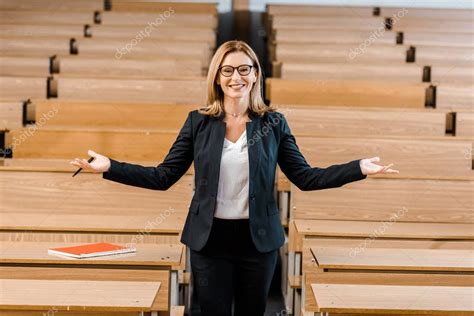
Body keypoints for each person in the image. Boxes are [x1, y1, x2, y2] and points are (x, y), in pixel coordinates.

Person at [70, 40, 398, 316]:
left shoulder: (274, 123)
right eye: (227, 70)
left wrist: (357, 169)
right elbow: (163, 176)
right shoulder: (198, 122)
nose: (236, 77)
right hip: (209, 241)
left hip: (258, 242)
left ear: (255, 75)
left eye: (244, 69)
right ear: (217, 77)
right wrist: (110, 166)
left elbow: (305, 177)